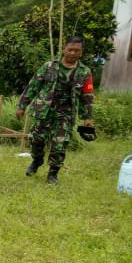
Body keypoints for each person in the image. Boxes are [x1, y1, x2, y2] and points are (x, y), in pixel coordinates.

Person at [15, 36, 96, 184]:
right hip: (44, 110)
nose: (72, 53)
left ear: (81, 52)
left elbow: (87, 96)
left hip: (65, 114)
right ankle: (37, 161)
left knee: (60, 144)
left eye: (76, 50)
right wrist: (22, 106)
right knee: (36, 140)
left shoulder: (85, 72)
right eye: (70, 49)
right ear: (64, 49)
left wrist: (87, 117)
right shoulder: (49, 66)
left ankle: (53, 173)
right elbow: (33, 86)